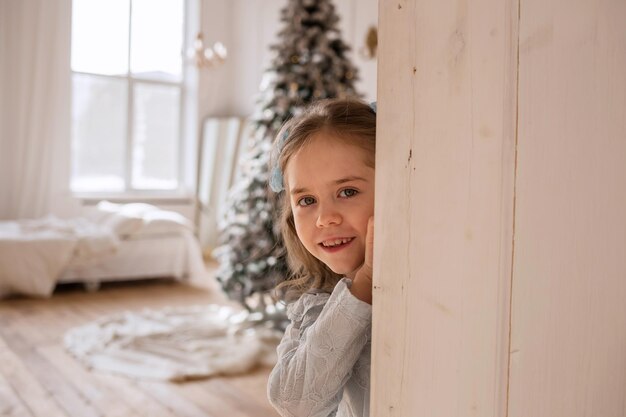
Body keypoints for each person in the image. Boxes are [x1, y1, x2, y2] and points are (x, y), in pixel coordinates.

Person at [267, 98, 376, 417]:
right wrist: (364, 284)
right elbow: (294, 403)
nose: (324, 218)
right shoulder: (316, 306)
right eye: (307, 200)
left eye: (347, 192)